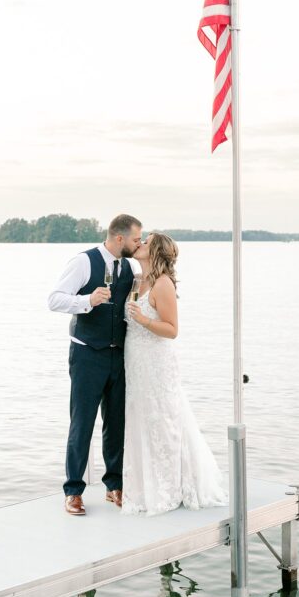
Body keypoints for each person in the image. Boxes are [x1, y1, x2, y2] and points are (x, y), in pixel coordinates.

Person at [122, 233, 227, 515]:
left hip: (156, 361)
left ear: (155, 251)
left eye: (146, 241)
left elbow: (172, 329)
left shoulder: (163, 283)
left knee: (163, 418)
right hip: (135, 361)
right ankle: (144, 485)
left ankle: (169, 486)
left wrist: (143, 319)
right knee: (140, 417)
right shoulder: (137, 280)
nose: (140, 243)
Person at [48, 214, 143, 515]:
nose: (138, 243)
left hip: (119, 355)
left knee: (115, 424)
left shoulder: (129, 268)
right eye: (135, 239)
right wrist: (87, 300)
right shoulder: (83, 262)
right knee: (82, 423)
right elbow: (54, 300)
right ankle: (73, 490)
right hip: (87, 354)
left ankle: (114, 486)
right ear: (119, 239)